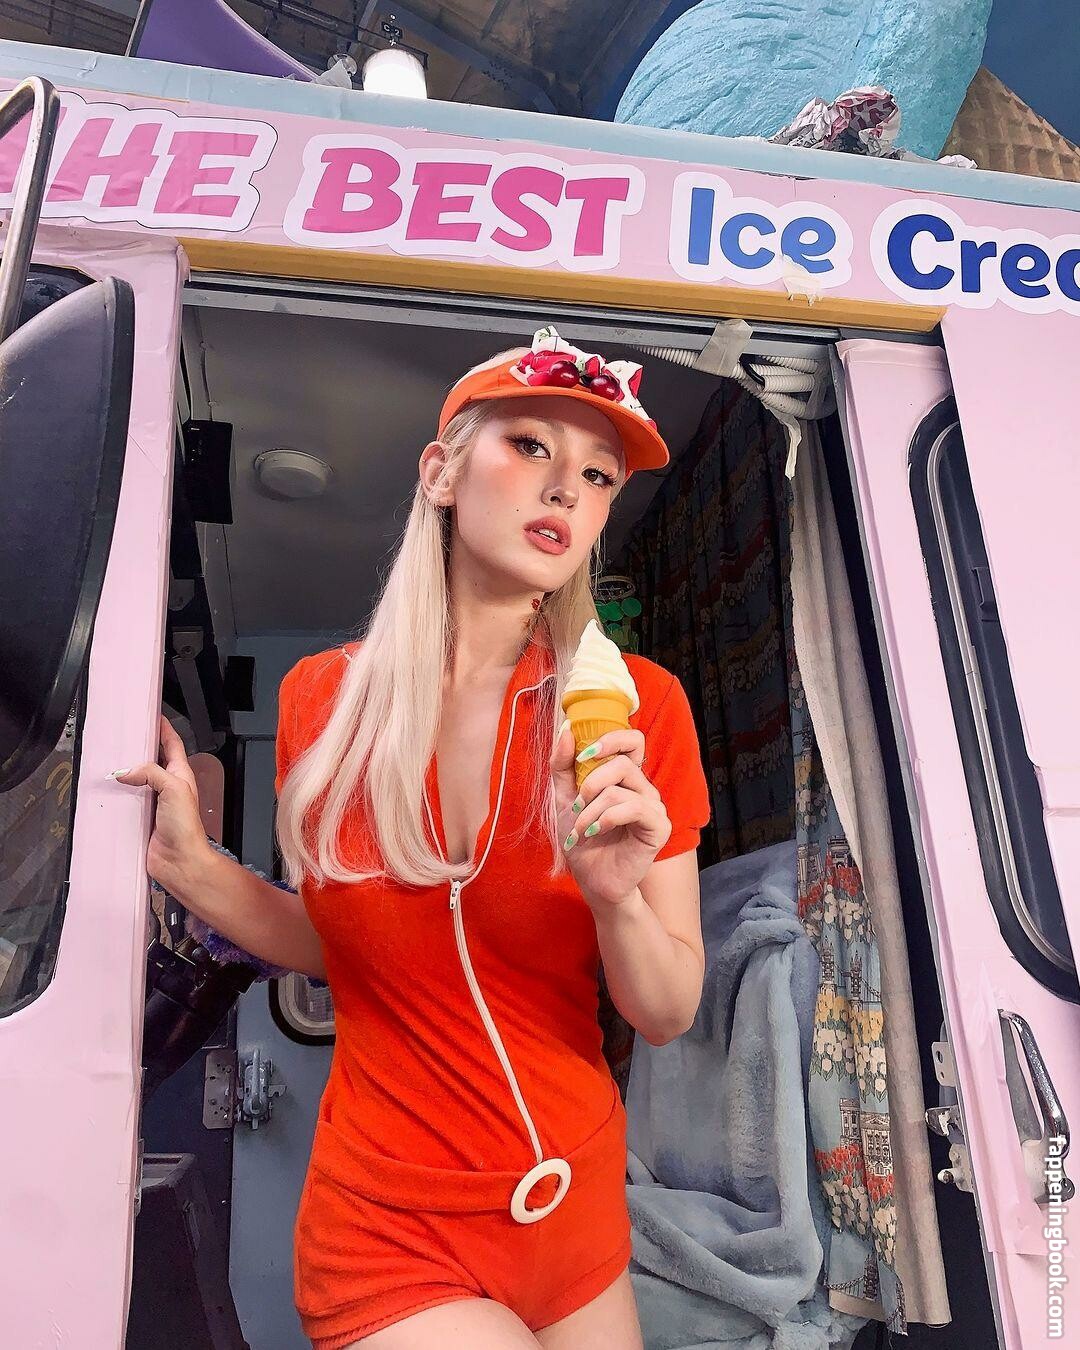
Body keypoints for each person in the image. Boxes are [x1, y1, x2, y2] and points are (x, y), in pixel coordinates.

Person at [115, 326, 711, 1350]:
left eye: (598, 476)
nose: (565, 490)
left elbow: (667, 1010)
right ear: (440, 472)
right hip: (391, 1218)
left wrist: (615, 898)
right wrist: (188, 865)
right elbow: (347, 942)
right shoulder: (323, 701)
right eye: (531, 446)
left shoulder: (638, 710)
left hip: (570, 1198)